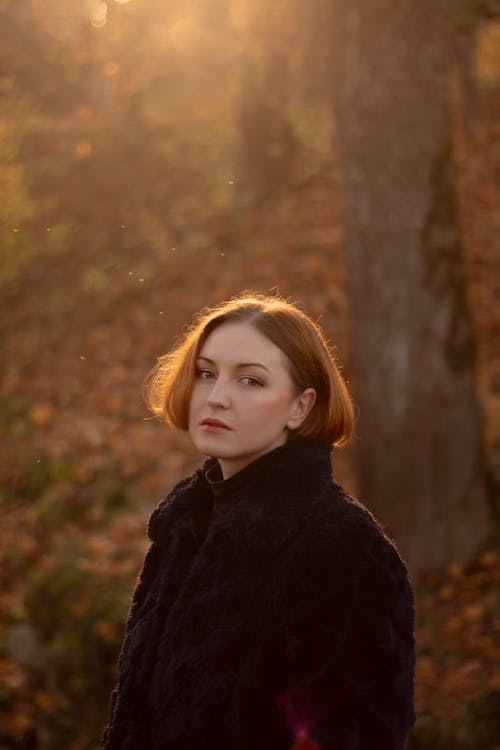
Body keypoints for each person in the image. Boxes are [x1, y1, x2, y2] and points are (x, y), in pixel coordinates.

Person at [100, 292, 415, 750]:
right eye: (206, 373)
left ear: (301, 407)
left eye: (250, 381)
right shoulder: (186, 527)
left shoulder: (342, 549)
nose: (217, 397)